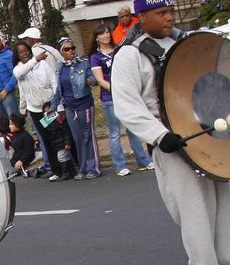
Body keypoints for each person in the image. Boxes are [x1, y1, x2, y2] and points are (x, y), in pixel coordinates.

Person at [113, 0, 230, 265]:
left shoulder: (186, 43)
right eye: (161, 12)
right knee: (194, 212)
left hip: (204, 133)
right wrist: (159, 136)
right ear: (142, 16)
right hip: (171, 141)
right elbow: (127, 105)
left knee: (222, 205)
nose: (169, 18)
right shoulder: (129, 56)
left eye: (171, 11)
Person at [89, 23, 153, 176]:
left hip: (127, 96)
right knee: (115, 132)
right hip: (109, 98)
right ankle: (120, 165)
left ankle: (143, 161)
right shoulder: (96, 57)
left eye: (107, 32)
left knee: (133, 129)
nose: (106, 35)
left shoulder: (118, 50)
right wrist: (117, 89)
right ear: (96, 38)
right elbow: (100, 80)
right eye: (102, 33)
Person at [54, 37, 101, 179]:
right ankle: (83, 168)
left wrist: (91, 81)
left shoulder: (84, 64)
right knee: (78, 138)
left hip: (84, 105)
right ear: (62, 52)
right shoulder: (60, 67)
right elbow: (58, 89)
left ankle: (94, 168)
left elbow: (94, 80)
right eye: (67, 49)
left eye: (73, 48)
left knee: (88, 136)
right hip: (69, 107)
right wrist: (55, 105)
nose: (71, 51)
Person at [13, 40, 59, 176]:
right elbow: (21, 79)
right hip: (35, 111)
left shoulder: (43, 64)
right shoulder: (18, 69)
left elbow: (54, 82)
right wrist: (22, 109)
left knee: (56, 136)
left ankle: (67, 164)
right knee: (45, 139)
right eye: (21, 52)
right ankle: (54, 170)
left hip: (49, 108)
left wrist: (55, 103)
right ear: (17, 56)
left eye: (26, 50)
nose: (24, 53)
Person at [40, 101, 77, 181]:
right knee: (65, 157)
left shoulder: (60, 120)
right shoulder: (48, 124)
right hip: (57, 143)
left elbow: (66, 132)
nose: (47, 115)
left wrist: (67, 142)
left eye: (49, 113)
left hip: (62, 142)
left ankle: (66, 173)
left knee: (61, 157)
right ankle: (72, 171)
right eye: (45, 113)